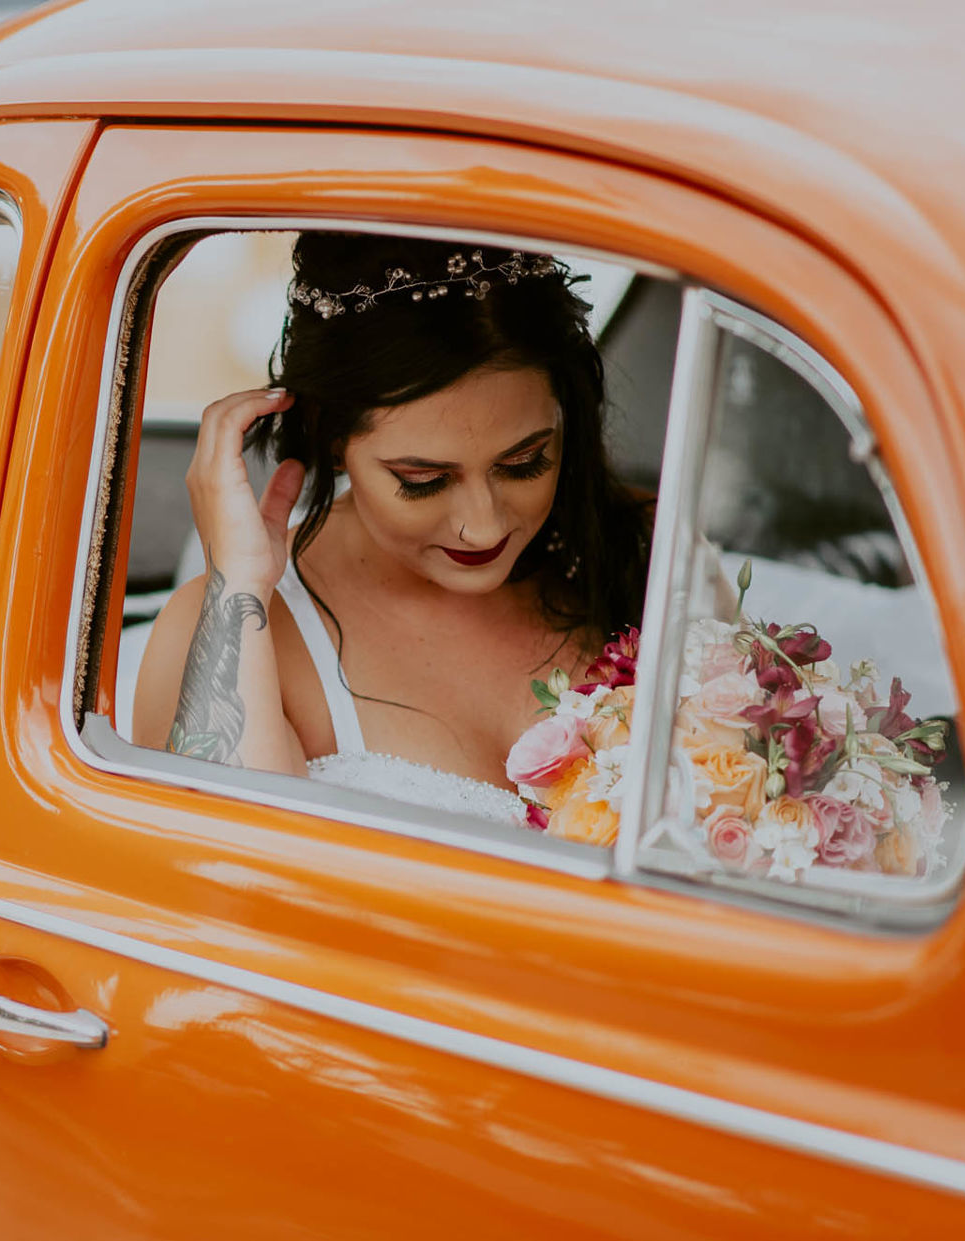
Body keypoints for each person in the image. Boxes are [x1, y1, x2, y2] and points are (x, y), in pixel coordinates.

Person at [131, 232, 653, 824]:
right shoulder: (227, 624)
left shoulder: (643, 553)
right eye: (423, 479)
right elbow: (227, 869)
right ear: (332, 439)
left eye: (524, 463)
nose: (482, 528)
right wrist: (237, 587)